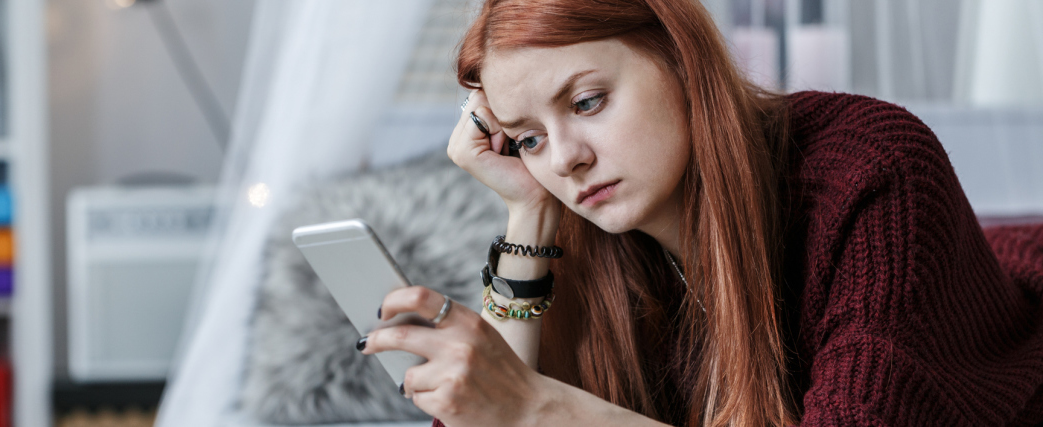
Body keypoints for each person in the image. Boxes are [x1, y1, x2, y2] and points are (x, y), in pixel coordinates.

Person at [359, 0, 1043, 426]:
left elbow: (521, 411)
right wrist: (528, 216)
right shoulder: (586, 234)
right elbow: (487, 418)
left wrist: (538, 407)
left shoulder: (873, 168)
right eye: (529, 137)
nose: (564, 158)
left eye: (588, 101)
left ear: (680, 61)